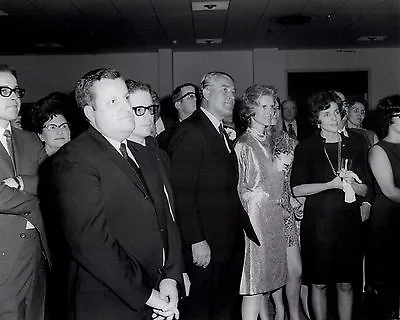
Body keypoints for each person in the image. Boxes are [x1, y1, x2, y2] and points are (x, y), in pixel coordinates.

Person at [43, 68, 182, 320]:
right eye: (113, 102)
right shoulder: (74, 160)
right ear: (90, 113)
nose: (126, 107)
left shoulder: (144, 154)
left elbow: (167, 221)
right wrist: (149, 296)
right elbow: (92, 245)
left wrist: (170, 278)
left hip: (155, 294)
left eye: (126, 97)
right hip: (108, 302)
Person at [168, 71, 259, 320]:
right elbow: (182, 193)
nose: (231, 96)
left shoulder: (219, 130)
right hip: (206, 243)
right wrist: (196, 240)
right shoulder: (191, 131)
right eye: (224, 90)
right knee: (201, 308)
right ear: (205, 93)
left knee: (224, 307)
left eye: (233, 90)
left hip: (226, 240)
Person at [290, 90, 370, 320]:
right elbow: (297, 189)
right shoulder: (307, 147)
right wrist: (331, 184)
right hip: (318, 226)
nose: (334, 118)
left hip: (348, 224)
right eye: (327, 114)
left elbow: (366, 189)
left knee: (346, 284)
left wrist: (352, 185)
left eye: (336, 112)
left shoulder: (356, 144)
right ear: (317, 119)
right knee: (319, 284)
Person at [235, 84, 288, 320]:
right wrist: (259, 196)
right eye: (264, 106)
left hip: (273, 216)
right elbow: (238, 189)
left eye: (273, 106)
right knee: (254, 283)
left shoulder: (270, 141)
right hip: (255, 218)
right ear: (250, 110)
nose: (271, 111)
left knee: (265, 282)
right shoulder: (244, 144)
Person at [0, 64, 49, 319]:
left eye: (16, 91)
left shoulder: (30, 140)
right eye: (4, 90)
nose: (14, 97)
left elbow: (52, 183)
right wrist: (36, 198)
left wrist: (21, 182)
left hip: (37, 254)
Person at [366, 94, 400, 319]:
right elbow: (389, 190)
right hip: (390, 218)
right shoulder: (378, 150)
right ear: (389, 118)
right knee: (392, 276)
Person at [157, 83, 198, 151]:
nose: (196, 99)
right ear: (178, 104)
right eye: (190, 96)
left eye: (197, 95)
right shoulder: (167, 137)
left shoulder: (208, 128)